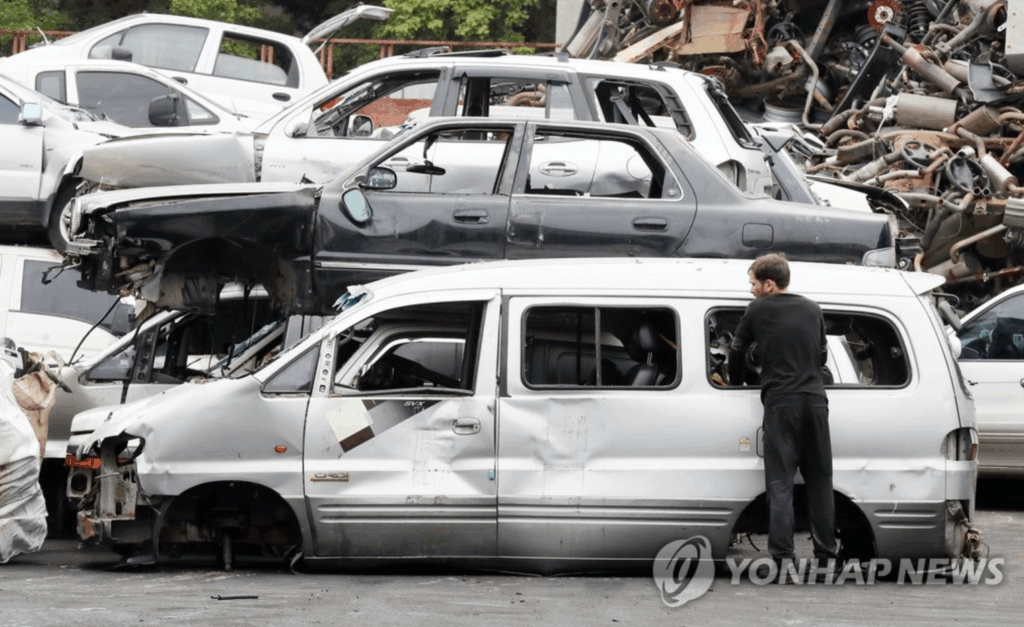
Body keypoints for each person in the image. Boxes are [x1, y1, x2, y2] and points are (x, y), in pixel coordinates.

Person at [728, 254, 839, 582]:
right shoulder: (813, 308)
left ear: (769, 284)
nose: (751, 290)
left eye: (753, 283)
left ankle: (784, 562)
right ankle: (825, 561)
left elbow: (736, 350)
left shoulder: (757, 309)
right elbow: (820, 356)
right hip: (817, 404)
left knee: (780, 485)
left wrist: (738, 383)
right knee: (820, 483)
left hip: (781, 405)